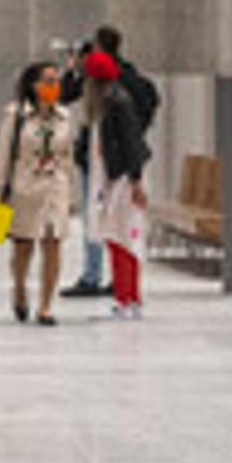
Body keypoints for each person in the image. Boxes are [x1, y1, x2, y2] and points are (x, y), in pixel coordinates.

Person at [0, 57, 89, 326]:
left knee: (53, 245)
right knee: (24, 245)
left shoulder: (64, 116)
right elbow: (3, 155)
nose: (54, 86)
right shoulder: (16, 115)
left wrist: (72, 195)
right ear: (34, 85)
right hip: (25, 188)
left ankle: (46, 306)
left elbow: (68, 156)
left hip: (55, 187)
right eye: (49, 81)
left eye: (57, 81)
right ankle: (19, 290)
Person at [61, 25, 159, 298]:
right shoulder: (131, 75)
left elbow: (64, 94)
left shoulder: (105, 82)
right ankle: (121, 287)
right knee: (120, 229)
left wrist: (71, 69)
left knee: (103, 222)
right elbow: (150, 102)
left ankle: (100, 279)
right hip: (118, 162)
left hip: (111, 166)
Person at [81, 45, 153, 319]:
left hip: (123, 179)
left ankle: (127, 299)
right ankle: (129, 298)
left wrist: (135, 181)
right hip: (120, 177)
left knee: (121, 239)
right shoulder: (112, 102)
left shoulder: (116, 104)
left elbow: (132, 143)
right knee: (121, 239)